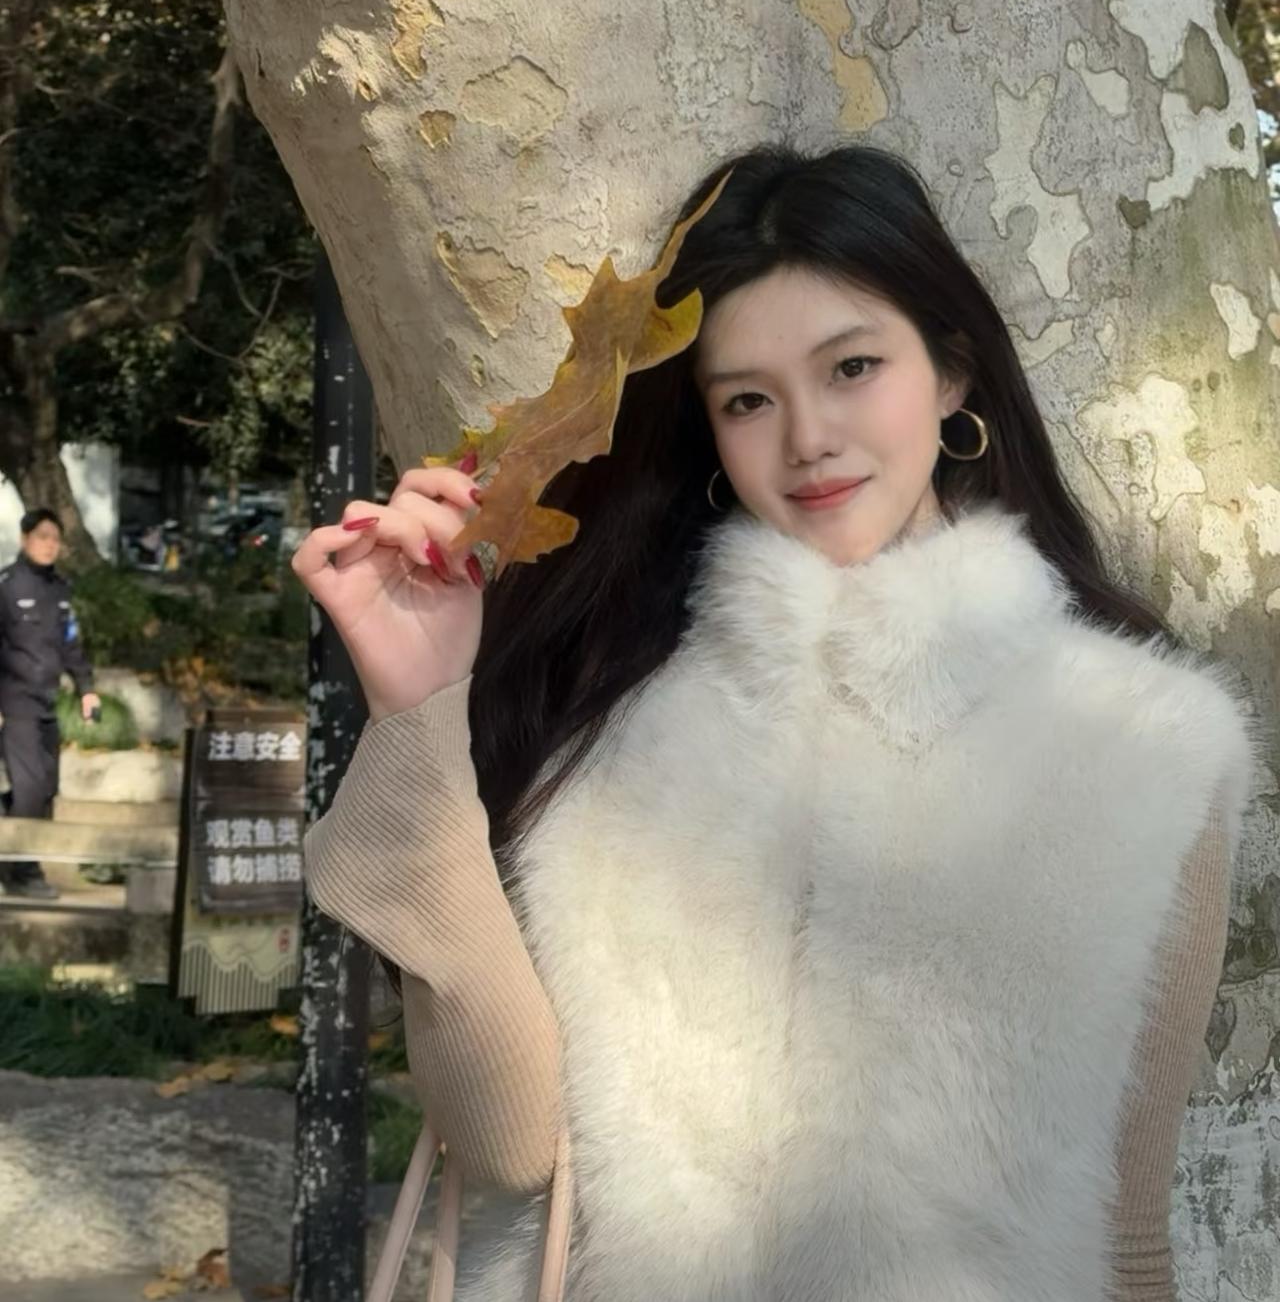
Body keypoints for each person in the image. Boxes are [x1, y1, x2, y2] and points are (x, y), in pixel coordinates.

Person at [295, 145, 1256, 1302]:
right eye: (747, 398)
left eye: (851, 366)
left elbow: (1125, 1233)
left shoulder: (1145, 748)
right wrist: (417, 709)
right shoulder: (605, 721)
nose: (807, 437)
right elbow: (505, 1148)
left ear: (951, 372)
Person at [0, 508, 100, 900]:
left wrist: (86, 688)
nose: (49, 545)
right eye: (42, 537)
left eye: (55, 539)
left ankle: (9, 841)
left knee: (47, 788)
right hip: (15, 703)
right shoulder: (7, 586)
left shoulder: (60, 589)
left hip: (47, 703)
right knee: (29, 788)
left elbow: (71, 644)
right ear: (25, 539)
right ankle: (23, 871)